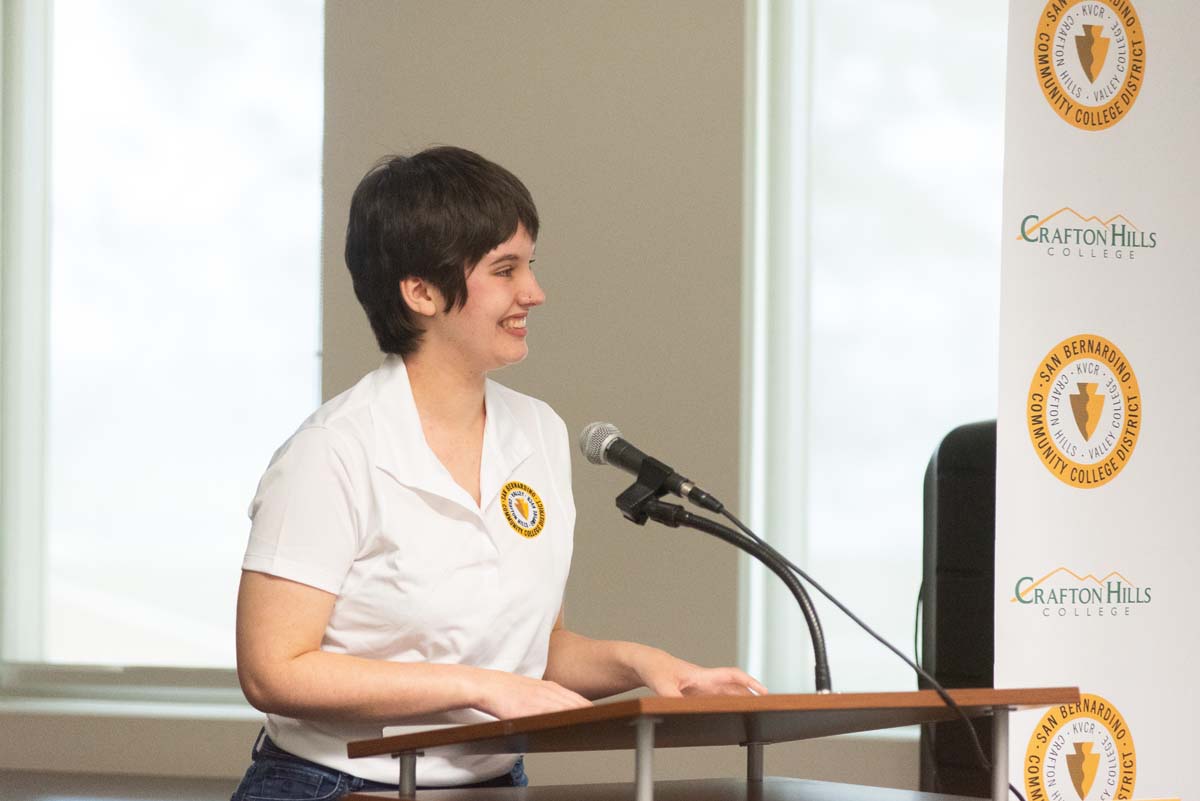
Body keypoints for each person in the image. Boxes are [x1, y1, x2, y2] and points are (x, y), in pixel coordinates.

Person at [230, 146, 765, 800]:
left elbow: (534, 652)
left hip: (493, 783)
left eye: (530, 264)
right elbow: (272, 671)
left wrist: (646, 664)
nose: (533, 292)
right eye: (504, 269)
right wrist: (479, 685)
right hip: (332, 785)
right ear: (420, 291)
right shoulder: (332, 451)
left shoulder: (537, 431)